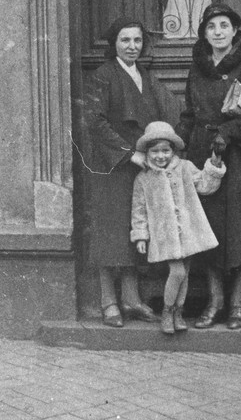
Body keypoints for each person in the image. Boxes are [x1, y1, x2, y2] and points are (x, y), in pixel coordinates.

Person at [177, 2, 241, 330]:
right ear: (204, 34)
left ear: (234, 30)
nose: (218, 32)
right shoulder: (197, 69)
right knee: (209, 228)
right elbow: (189, 113)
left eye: (224, 26)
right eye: (211, 27)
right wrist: (178, 148)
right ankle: (214, 299)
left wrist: (229, 132)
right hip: (205, 158)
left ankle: (237, 303)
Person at [82, 20, 171, 327]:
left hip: (140, 165)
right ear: (114, 44)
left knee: (133, 230)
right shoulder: (104, 75)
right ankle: (109, 302)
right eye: (125, 40)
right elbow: (94, 121)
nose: (132, 46)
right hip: (112, 165)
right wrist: (128, 152)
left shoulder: (144, 75)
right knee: (110, 232)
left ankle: (132, 300)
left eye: (137, 40)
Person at [130, 121, 226, 334]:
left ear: (173, 150)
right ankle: (167, 311)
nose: (161, 156)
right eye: (155, 151)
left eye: (166, 150)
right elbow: (139, 210)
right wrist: (141, 237)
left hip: (188, 232)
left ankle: (178, 313)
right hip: (165, 236)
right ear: (147, 152)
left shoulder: (184, 167)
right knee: (177, 271)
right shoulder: (143, 178)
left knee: (185, 273)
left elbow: (205, 185)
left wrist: (214, 166)